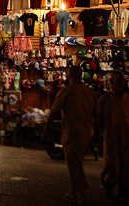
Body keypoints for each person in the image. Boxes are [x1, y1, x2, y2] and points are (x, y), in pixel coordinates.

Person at [47, 65, 95, 205]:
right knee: (77, 162)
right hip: (86, 132)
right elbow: (96, 114)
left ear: (70, 76)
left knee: (74, 164)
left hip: (71, 132)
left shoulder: (66, 92)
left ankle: (80, 194)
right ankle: (74, 190)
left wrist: (47, 128)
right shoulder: (89, 92)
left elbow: (54, 111)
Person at [95, 70, 129, 201]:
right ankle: (109, 187)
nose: (116, 84)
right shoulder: (105, 100)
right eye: (113, 81)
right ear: (109, 83)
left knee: (126, 165)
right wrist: (97, 136)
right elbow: (98, 119)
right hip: (111, 138)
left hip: (127, 138)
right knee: (111, 164)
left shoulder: (127, 98)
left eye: (119, 81)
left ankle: (124, 190)